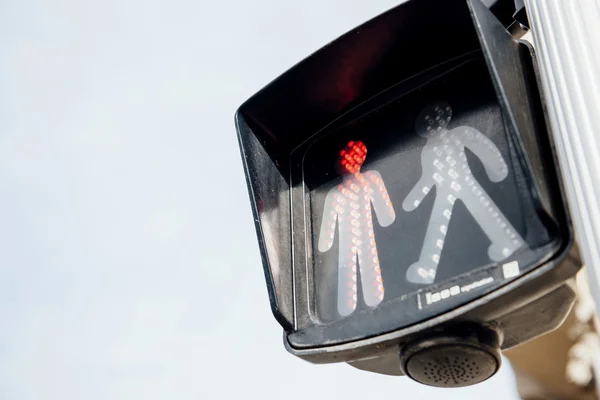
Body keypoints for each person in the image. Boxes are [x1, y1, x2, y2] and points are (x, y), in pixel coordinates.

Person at [403, 101, 525, 284]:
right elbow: (427, 178)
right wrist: (414, 199)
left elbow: (483, 147)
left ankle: (508, 242)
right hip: (445, 191)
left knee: (484, 213)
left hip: (465, 182)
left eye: (435, 120)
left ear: (444, 118)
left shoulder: (459, 134)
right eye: (428, 123)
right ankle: (427, 268)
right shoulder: (427, 151)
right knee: (438, 227)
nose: (433, 125)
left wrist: (496, 169)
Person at [318, 140, 396, 316]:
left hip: (363, 230)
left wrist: (326, 241)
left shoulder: (369, 179)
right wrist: (326, 241)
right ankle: (349, 306)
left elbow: (384, 209)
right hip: (352, 234)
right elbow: (330, 220)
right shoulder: (340, 190)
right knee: (350, 267)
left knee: (360, 264)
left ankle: (373, 300)